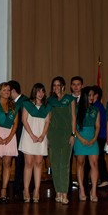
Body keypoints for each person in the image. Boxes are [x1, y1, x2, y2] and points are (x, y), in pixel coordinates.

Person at [19, 83, 50, 203]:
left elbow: (47, 122)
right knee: (28, 163)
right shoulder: (27, 104)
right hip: (29, 136)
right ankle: (26, 190)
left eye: (42, 91)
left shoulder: (46, 106)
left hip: (41, 136)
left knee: (38, 163)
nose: (40, 94)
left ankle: (37, 190)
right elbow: (24, 120)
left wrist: (42, 135)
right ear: (34, 92)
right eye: (38, 91)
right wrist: (32, 135)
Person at [47, 76, 76, 204]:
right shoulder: (50, 101)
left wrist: (73, 134)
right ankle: (58, 191)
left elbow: (73, 118)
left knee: (64, 164)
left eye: (58, 85)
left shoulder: (70, 99)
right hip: (53, 134)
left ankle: (64, 192)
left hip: (66, 134)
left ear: (63, 86)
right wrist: (47, 136)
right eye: (54, 85)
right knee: (54, 164)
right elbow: (48, 119)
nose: (56, 87)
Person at [73, 87, 100, 202]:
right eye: (89, 95)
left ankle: (93, 190)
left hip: (92, 138)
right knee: (80, 163)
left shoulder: (96, 109)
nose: (92, 97)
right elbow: (73, 126)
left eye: (93, 95)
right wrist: (80, 138)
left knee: (94, 164)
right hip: (80, 138)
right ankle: (82, 189)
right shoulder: (76, 108)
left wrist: (94, 138)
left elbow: (97, 126)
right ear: (84, 96)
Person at [8, 80, 25, 199]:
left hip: (21, 136)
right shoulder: (12, 102)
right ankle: (16, 187)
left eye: (8, 90)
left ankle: (20, 187)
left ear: (13, 91)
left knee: (21, 162)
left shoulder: (24, 102)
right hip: (13, 136)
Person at [91, 86, 108, 188]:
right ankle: (101, 178)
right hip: (98, 135)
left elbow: (101, 123)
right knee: (97, 158)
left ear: (96, 95)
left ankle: (105, 179)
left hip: (100, 136)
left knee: (100, 158)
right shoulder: (95, 106)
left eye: (92, 94)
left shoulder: (98, 107)